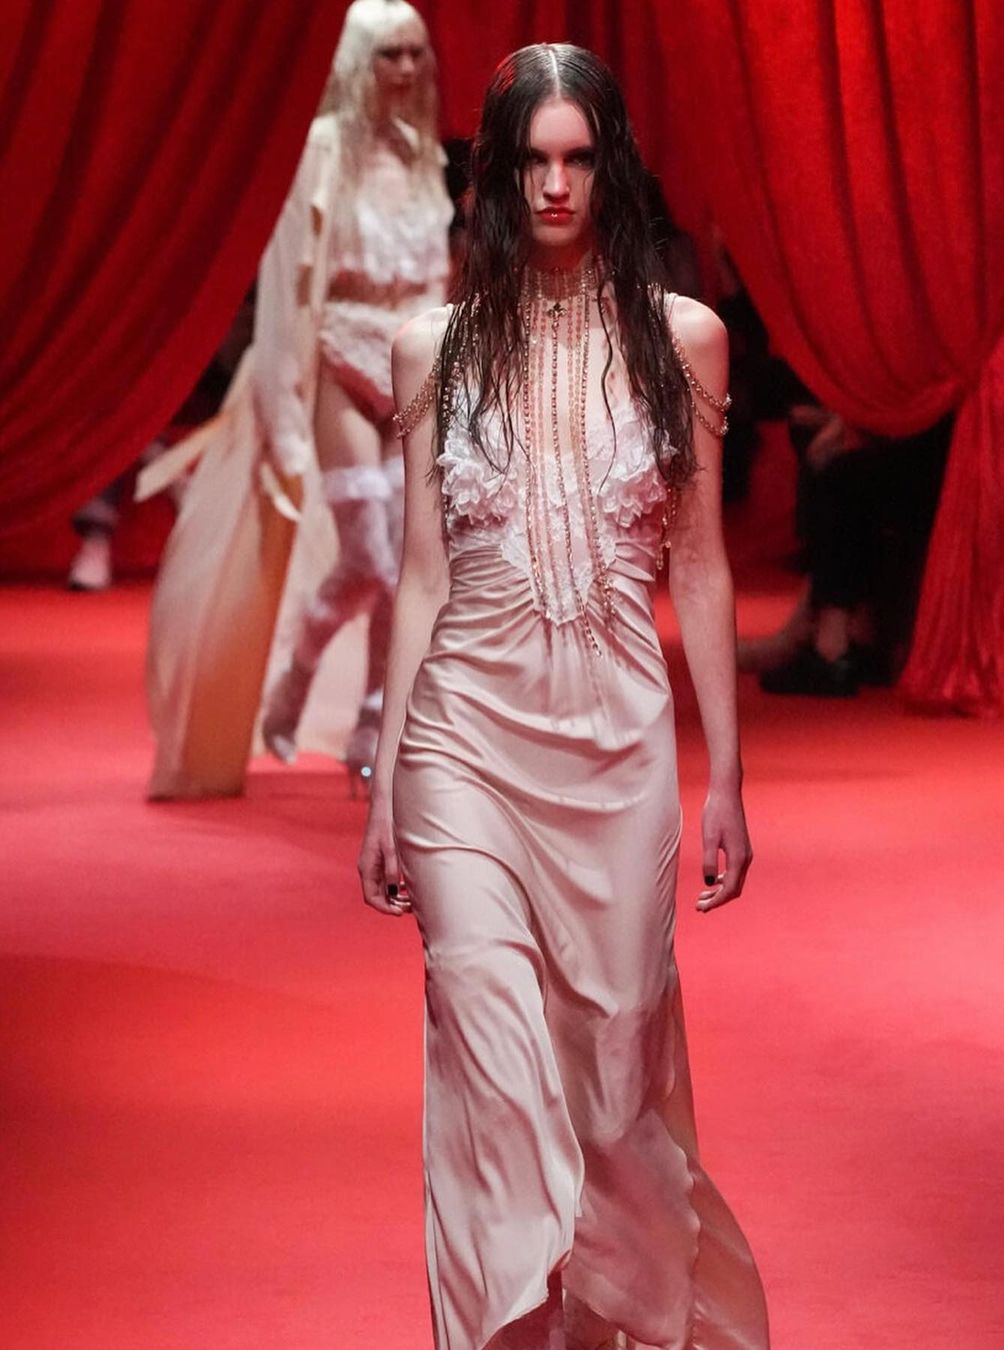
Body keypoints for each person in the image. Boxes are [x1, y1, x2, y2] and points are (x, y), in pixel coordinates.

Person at [358, 43, 769, 1350]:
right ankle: (501, 1328)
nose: (555, 185)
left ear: (611, 168)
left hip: (618, 747)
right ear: (494, 173)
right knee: (489, 1046)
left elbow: (700, 565)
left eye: (578, 158)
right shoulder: (434, 349)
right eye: (532, 160)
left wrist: (727, 777)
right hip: (463, 745)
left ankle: (615, 1319)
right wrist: (385, 778)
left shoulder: (681, 341)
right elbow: (422, 576)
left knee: (614, 1084)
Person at [143, 0, 452, 797]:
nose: (406, 69)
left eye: (415, 53)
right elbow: (286, 286)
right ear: (358, 61)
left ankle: (375, 725)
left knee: (407, 559)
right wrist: (282, 413)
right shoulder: (319, 151)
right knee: (372, 557)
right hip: (340, 359)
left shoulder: (422, 153)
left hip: (410, 367)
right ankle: (298, 672)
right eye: (390, 54)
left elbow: (434, 282)